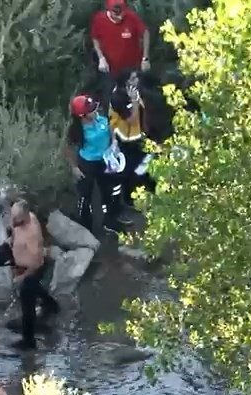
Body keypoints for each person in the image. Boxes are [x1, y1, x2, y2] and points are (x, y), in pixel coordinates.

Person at [63, 94, 129, 234]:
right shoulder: (77, 130)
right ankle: (86, 228)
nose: (96, 111)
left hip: (104, 161)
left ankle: (110, 221)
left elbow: (109, 127)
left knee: (109, 192)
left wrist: (114, 141)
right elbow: (67, 148)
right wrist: (74, 167)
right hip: (87, 164)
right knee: (85, 197)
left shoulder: (99, 119)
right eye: (92, 110)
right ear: (82, 116)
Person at [6, 200, 59, 350]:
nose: (13, 221)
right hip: (21, 265)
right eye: (13, 216)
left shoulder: (32, 233)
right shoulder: (22, 219)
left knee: (27, 298)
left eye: (16, 218)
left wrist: (22, 277)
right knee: (36, 288)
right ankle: (51, 305)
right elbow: (14, 233)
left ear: (25, 217)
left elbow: (35, 263)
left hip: (32, 269)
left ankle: (28, 340)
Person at [109, 75, 157, 208]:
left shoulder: (134, 91)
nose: (137, 80)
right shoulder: (118, 98)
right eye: (133, 78)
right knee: (129, 170)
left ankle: (150, 187)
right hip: (128, 141)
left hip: (140, 136)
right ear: (126, 83)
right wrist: (135, 100)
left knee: (146, 161)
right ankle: (128, 198)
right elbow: (131, 119)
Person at [90, 0, 150, 101]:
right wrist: (101, 57)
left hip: (131, 70)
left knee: (135, 96)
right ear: (108, 10)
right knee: (110, 97)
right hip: (110, 70)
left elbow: (145, 33)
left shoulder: (131, 17)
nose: (120, 16)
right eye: (116, 13)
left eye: (122, 12)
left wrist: (145, 58)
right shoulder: (99, 19)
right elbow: (95, 38)